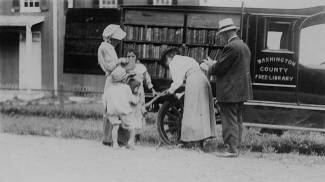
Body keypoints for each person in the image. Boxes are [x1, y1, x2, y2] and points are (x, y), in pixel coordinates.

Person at [201, 18, 253, 157]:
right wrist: (216, 64)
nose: (222, 37)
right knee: (237, 119)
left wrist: (210, 65)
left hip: (230, 91)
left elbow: (220, 68)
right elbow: (233, 67)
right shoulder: (244, 46)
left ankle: (231, 150)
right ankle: (236, 148)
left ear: (228, 33)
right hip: (241, 91)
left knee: (229, 120)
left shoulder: (231, 47)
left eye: (223, 34)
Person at [160, 48, 216, 147]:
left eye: (166, 63)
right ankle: (200, 142)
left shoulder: (173, 62)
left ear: (168, 58)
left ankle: (188, 141)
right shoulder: (186, 59)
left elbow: (177, 81)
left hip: (194, 81)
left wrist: (170, 90)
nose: (168, 66)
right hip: (203, 79)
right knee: (201, 111)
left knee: (191, 111)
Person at [97, 24, 127, 146]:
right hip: (112, 80)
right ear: (110, 38)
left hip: (114, 79)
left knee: (115, 108)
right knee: (111, 109)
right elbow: (110, 66)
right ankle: (108, 138)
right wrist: (120, 61)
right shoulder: (105, 47)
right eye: (116, 39)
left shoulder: (107, 47)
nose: (118, 42)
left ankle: (114, 138)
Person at [103, 66, 141, 149]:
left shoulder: (109, 89)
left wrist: (105, 110)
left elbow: (104, 100)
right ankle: (131, 142)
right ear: (123, 79)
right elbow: (131, 100)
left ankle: (115, 144)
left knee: (115, 127)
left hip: (112, 111)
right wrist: (137, 98)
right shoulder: (126, 87)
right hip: (123, 110)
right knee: (132, 125)